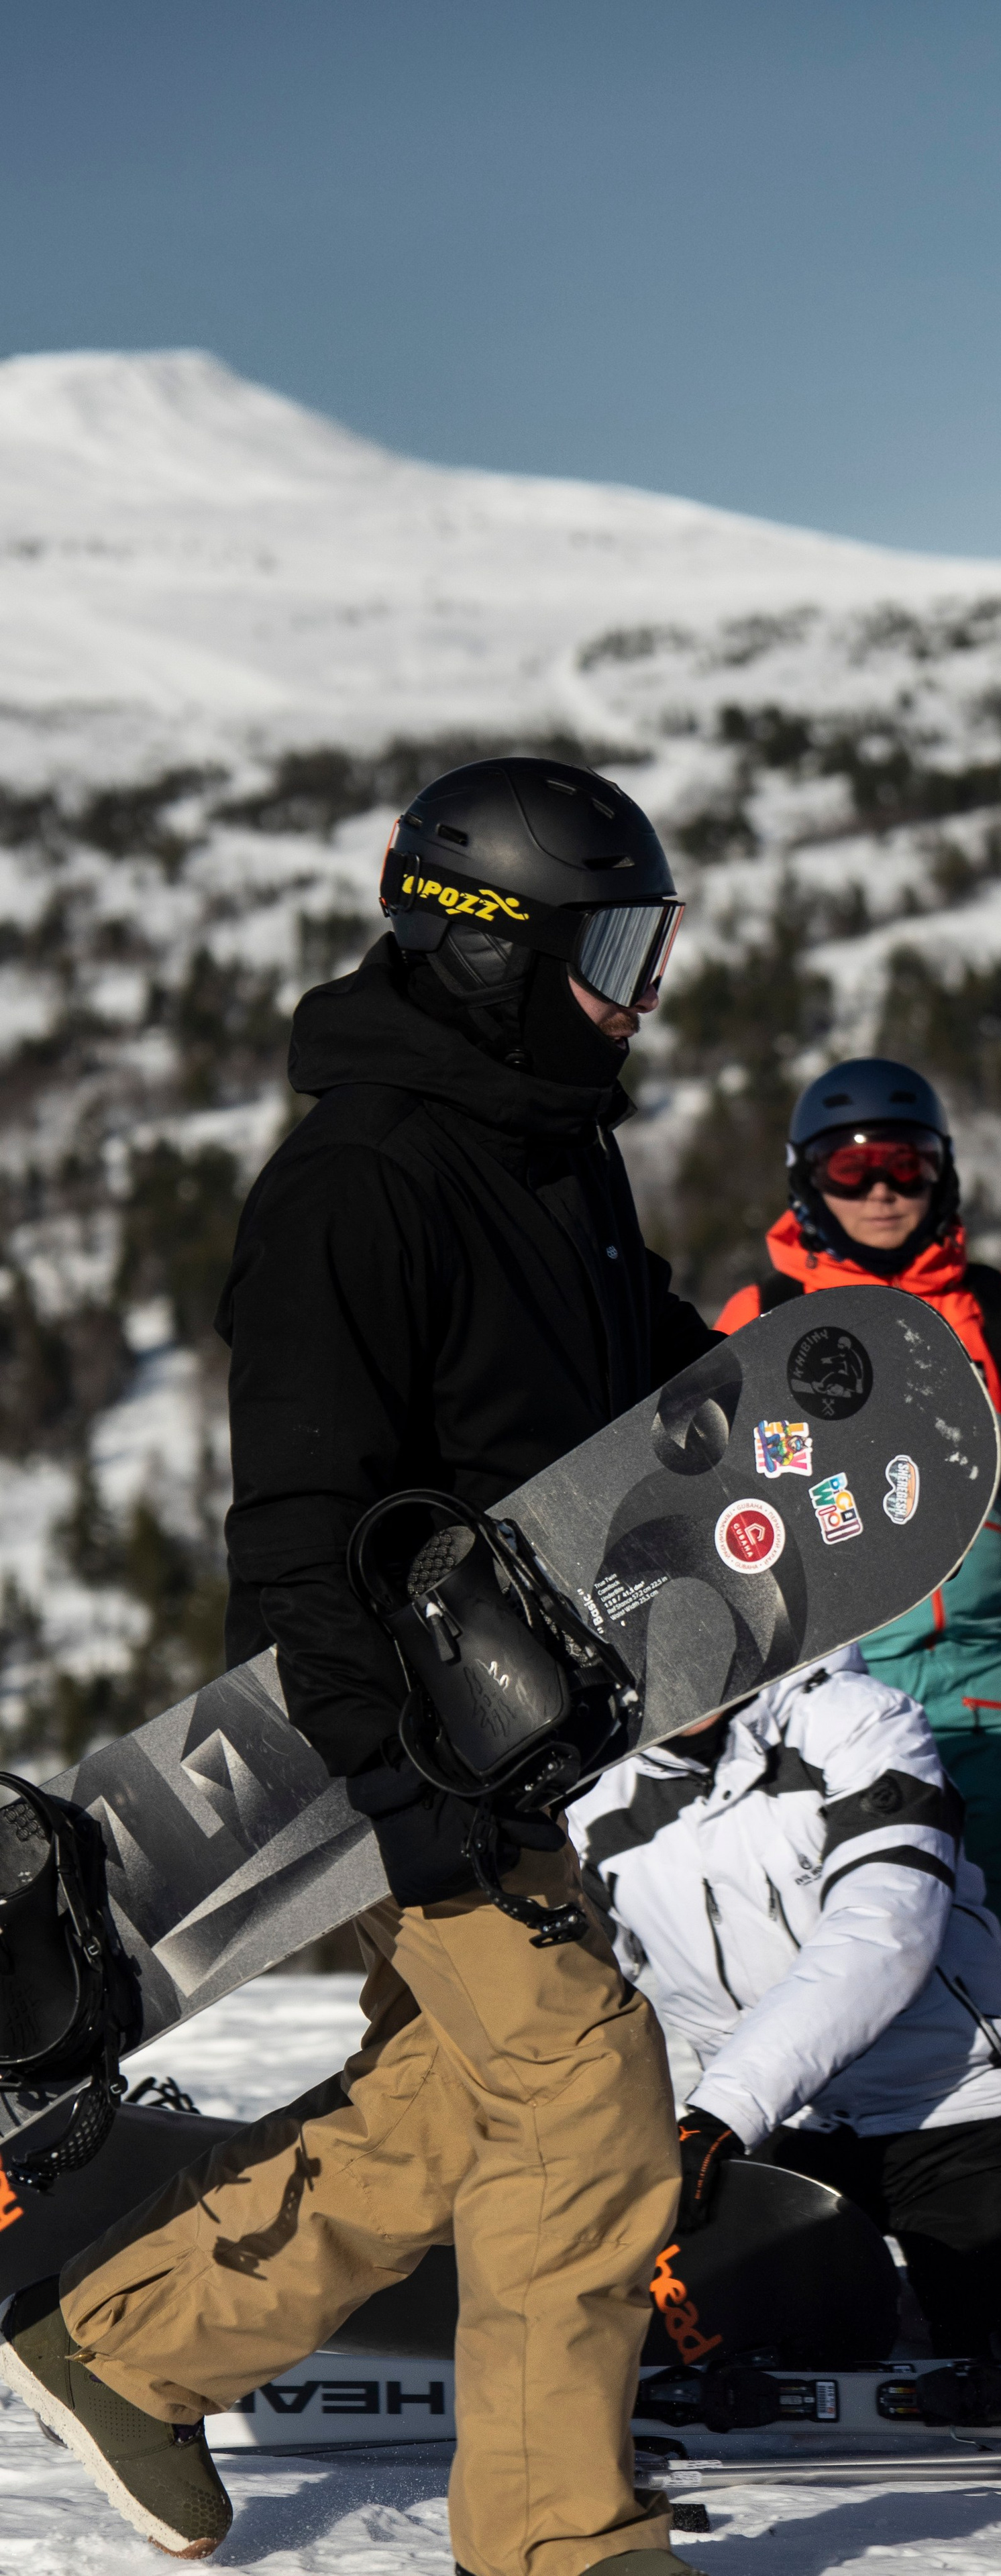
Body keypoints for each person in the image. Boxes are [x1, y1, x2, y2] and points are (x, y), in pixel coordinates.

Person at [0, 757, 714, 2575]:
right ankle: (561, 2542)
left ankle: (132, 2341)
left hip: (523, 1738)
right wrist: (404, 1807)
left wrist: (760, 1394)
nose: (635, 992)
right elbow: (300, 1547)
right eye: (609, 948)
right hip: (410, 1754)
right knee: (585, 2091)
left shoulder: (555, 1147)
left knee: (453, 2101)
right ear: (496, 950)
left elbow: (616, 1363)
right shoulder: (358, 1189)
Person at [715, 1057, 1001, 1947]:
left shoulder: (994, 1308)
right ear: (807, 1180)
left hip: (986, 1672)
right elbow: (727, 1496)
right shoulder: (766, 1312)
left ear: (945, 1171)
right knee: (866, 1935)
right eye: (851, 1169)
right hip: (841, 1669)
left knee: (996, 1918)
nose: (885, 1190)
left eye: (910, 1164)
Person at [570, 1644, 1001, 2359]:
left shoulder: (854, 1720)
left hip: (958, 2111)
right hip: (778, 2132)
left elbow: (884, 1935)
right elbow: (569, 2000)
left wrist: (718, 2114)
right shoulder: (593, 1797)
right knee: (717, 2373)